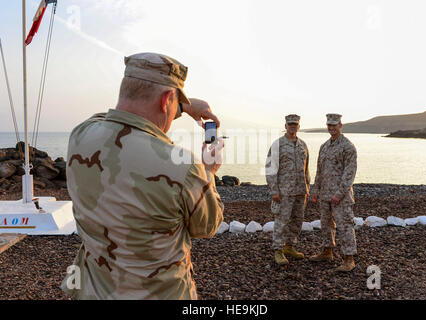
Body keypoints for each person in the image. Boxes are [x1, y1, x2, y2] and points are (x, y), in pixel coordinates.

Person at [61, 52, 225, 299]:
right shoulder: (183, 167)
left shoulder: (80, 136)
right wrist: (209, 172)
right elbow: (208, 225)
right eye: (173, 104)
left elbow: (116, 118)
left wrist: (180, 106)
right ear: (166, 99)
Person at [310, 113, 358, 272]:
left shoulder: (348, 147)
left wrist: (339, 193)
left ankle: (349, 258)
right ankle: (327, 251)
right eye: (329, 125)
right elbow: (319, 170)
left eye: (334, 125)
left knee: (344, 225)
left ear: (340, 125)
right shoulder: (324, 146)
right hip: (324, 193)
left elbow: (349, 173)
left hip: (340, 195)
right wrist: (315, 190)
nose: (331, 128)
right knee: (326, 224)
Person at [265, 114, 310, 265]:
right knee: (282, 221)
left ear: (298, 126)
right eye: (290, 124)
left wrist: (308, 187)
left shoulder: (303, 145)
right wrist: (274, 191)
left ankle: (289, 247)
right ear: (285, 126)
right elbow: (270, 169)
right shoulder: (278, 145)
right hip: (284, 191)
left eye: (295, 124)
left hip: (300, 190)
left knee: (297, 220)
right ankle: (278, 250)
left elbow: (306, 169)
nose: (292, 126)